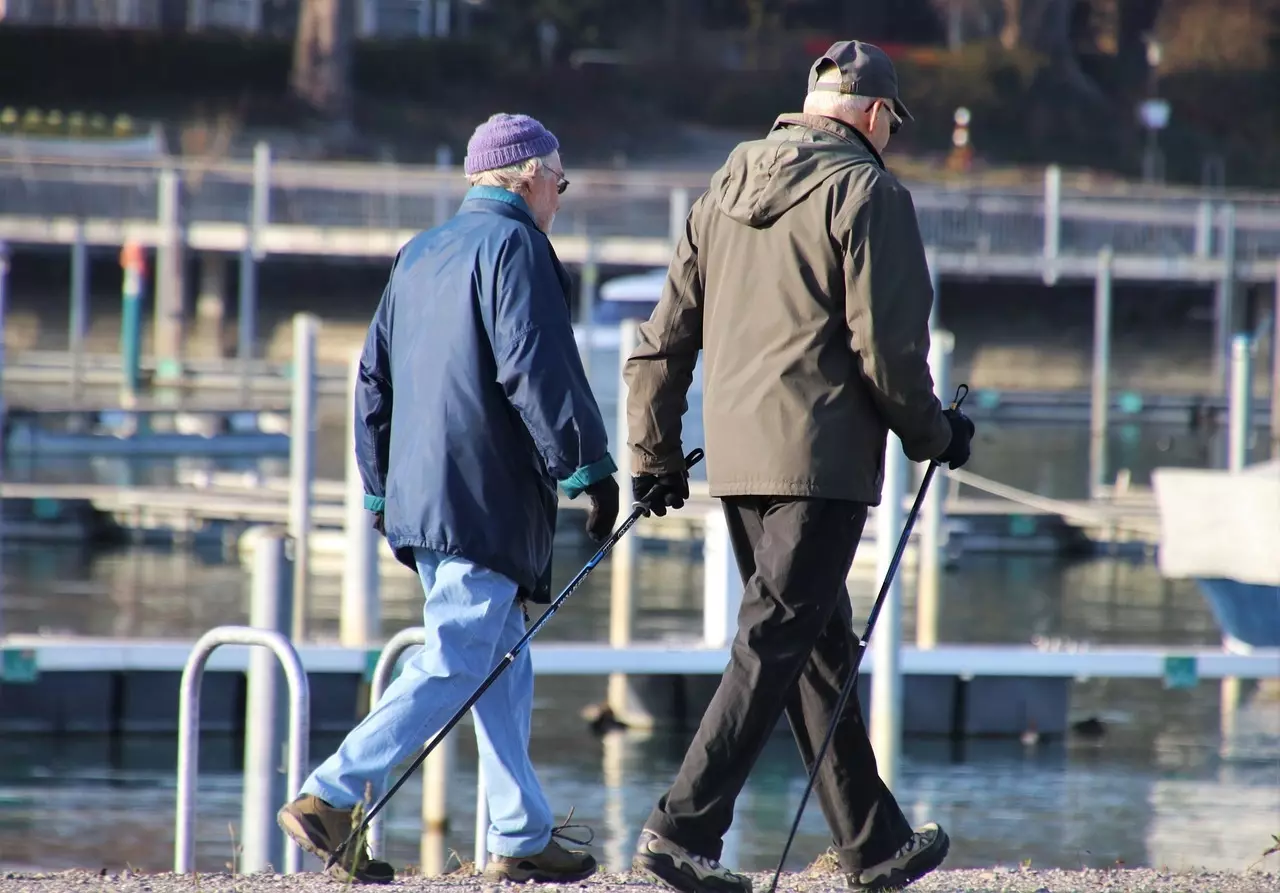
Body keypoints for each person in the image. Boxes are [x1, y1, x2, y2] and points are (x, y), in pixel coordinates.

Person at [622, 41, 976, 893]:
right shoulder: (872, 193)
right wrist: (937, 435)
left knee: (815, 647)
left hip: (741, 463)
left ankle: (873, 840)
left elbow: (662, 339)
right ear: (875, 114)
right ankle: (682, 829)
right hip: (819, 462)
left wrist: (653, 452)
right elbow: (889, 352)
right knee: (776, 639)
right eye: (893, 121)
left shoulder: (723, 187)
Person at [277, 112, 618, 885]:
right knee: (459, 654)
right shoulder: (516, 245)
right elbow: (536, 364)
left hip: (422, 496)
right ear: (530, 176)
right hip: (483, 494)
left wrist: (376, 486)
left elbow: (373, 378)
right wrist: (589, 468)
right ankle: (331, 792)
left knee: (501, 659)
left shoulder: (420, 251)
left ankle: (520, 833)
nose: (559, 198)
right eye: (559, 183)